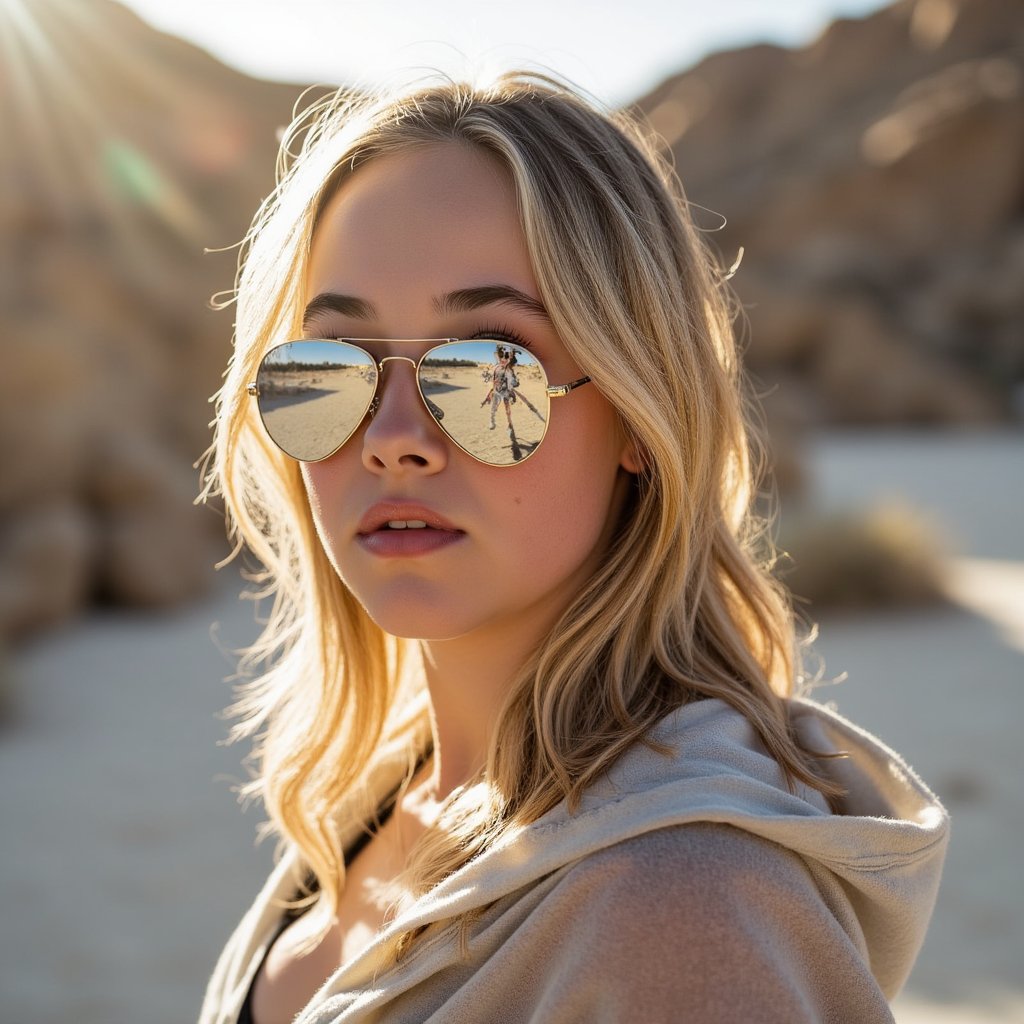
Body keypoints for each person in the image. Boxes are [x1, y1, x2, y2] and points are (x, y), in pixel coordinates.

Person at [197, 72, 948, 1024]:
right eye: (329, 364)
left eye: (487, 366)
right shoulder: (382, 795)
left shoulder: (684, 907)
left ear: (638, 412)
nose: (392, 433)